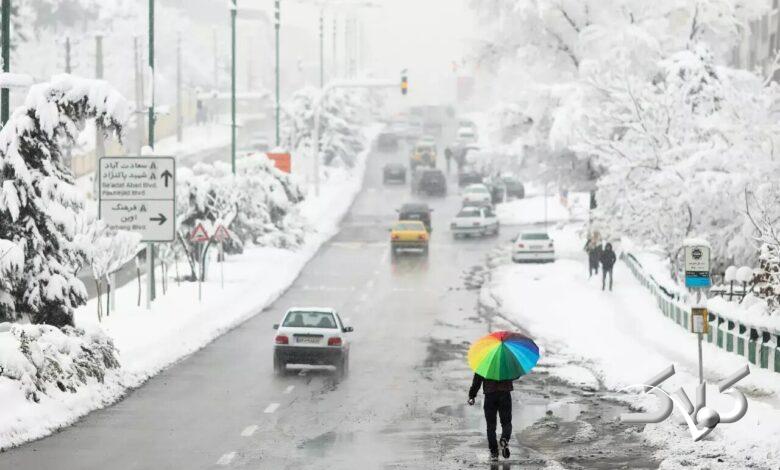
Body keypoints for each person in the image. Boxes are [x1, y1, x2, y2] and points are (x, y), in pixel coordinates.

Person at [468, 373, 513, 461]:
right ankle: (505, 439)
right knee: (506, 423)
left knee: (491, 426)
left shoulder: (484, 366)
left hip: (490, 395)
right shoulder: (508, 365)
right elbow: (515, 375)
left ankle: (494, 453)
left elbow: (477, 380)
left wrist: (472, 396)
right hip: (505, 394)